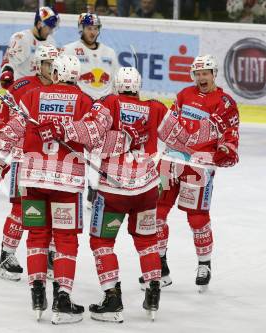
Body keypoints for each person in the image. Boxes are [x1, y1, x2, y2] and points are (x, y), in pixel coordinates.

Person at [0, 54, 112, 324]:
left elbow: (8, 133)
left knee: (37, 236)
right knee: (65, 239)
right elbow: (98, 131)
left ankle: (37, 295)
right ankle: (63, 299)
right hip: (66, 183)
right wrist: (71, 128)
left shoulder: (32, 96)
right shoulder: (84, 100)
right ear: (77, 76)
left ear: (55, 73)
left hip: (32, 180)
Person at [87, 67, 166, 322]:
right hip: (147, 189)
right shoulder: (155, 107)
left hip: (114, 191)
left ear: (117, 86)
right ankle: (153, 288)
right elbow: (181, 134)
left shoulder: (109, 102)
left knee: (101, 242)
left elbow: (91, 136)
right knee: (146, 241)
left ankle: (112, 299)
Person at [155, 54, 240, 292]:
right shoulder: (184, 94)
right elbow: (170, 123)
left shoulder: (225, 102)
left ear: (214, 74)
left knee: (197, 217)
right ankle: (160, 264)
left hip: (199, 166)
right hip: (170, 160)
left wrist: (224, 149)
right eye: (198, 73)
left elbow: (231, 133)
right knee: (157, 212)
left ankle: (204, 264)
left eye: (206, 73)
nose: (202, 77)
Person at [0, 44, 59, 281]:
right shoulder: (21, 87)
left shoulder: (64, 87)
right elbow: (4, 124)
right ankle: (7, 256)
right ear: (39, 65)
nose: (53, 69)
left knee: (55, 208)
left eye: (55, 64)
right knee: (20, 208)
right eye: (49, 64)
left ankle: (49, 254)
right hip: (22, 155)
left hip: (52, 158)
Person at [63, 12, 119, 208]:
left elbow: (115, 81)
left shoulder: (109, 53)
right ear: (81, 29)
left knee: (99, 151)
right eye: (89, 28)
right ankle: (72, 183)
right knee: (78, 149)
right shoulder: (70, 50)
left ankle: (94, 187)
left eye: (95, 28)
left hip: (103, 109)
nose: (92, 32)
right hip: (80, 107)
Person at [0, 6, 59, 89]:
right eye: (49, 28)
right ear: (39, 24)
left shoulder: (51, 42)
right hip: (21, 86)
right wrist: (7, 73)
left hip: (40, 89)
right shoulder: (21, 38)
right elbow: (9, 61)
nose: (51, 32)